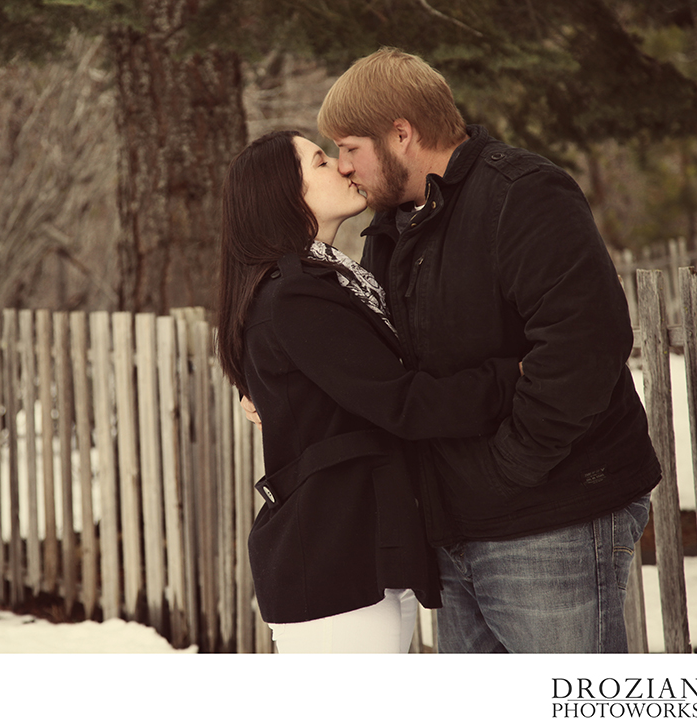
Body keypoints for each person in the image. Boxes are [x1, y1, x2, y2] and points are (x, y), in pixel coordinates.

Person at [308, 47, 661, 653]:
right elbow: (389, 370)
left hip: (552, 521)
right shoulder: (393, 229)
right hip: (457, 527)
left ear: (401, 133)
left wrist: (510, 471)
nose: (344, 168)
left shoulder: (522, 194)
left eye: (349, 148)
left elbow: (584, 346)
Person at [217, 129, 522, 653]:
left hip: (364, 554)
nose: (339, 165)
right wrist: (515, 374)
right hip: (334, 563)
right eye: (318, 161)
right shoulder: (294, 294)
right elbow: (401, 403)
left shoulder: (335, 278)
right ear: (284, 195)